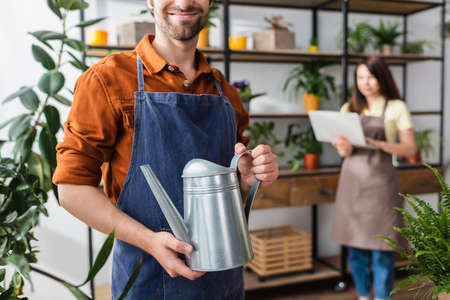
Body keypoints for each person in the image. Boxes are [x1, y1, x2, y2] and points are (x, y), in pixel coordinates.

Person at [52, 0, 279, 299]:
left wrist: (247, 182)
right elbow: (71, 189)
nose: (184, 2)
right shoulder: (107, 80)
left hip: (225, 284)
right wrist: (148, 241)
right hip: (147, 280)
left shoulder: (226, 93)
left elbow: (226, 199)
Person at [331, 56, 416, 300]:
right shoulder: (349, 108)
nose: (365, 82)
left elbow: (409, 148)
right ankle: (362, 295)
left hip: (381, 185)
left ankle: (382, 297)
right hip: (352, 183)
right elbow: (344, 153)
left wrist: (377, 143)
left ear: (382, 77)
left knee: (383, 248)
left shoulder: (396, 107)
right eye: (360, 77)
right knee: (355, 248)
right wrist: (343, 146)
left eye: (370, 76)